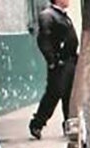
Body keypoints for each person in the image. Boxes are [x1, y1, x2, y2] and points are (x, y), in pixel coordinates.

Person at [29, 0, 79, 140]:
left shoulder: (62, 15)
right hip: (60, 62)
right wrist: (52, 60)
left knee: (69, 95)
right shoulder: (48, 15)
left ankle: (69, 124)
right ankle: (37, 123)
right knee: (54, 93)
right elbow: (43, 40)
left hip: (70, 60)